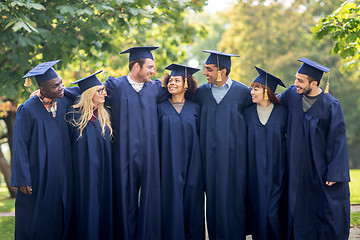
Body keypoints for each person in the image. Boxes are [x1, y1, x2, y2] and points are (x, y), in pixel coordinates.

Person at [280, 58, 350, 240]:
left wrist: (335, 172)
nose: (295, 83)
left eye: (300, 81)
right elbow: (273, 103)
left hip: (319, 167)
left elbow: (338, 139)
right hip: (295, 166)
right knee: (296, 206)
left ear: (314, 83)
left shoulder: (331, 104)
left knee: (321, 209)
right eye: (295, 78)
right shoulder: (291, 95)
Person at [104, 46, 167, 240]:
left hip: (150, 154)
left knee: (151, 200)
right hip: (123, 154)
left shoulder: (156, 88)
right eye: (149, 66)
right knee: (125, 199)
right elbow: (87, 90)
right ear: (136, 66)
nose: (153, 71)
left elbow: (181, 90)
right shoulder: (115, 86)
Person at [11, 60, 73, 239]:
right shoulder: (27, 109)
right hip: (39, 173)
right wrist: (23, 178)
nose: (61, 87)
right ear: (42, 89)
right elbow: (20, 144)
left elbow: (84, 90)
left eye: (61, 82)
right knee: (38, 216)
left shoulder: (64, 100)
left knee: (63, 211)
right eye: (56, 86)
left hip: (64, 172)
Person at [195, 50, 252, 239]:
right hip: (208, 160)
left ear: (222, 71)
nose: (205, 73)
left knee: (235, 201)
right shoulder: (201, 93)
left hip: (235, 161)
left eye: (209, 70)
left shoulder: (243, 93)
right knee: (213, 202)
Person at [158, 64, 204, 240]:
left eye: (176, 80)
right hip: (167, 164)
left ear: (186, 84)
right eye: (170, 80)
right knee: (171, 204)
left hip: (193, 164)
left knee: (193, 204)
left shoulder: (196, 108)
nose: (172, 83)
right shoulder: (160, 108)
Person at [65, 70, 113, 240]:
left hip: (103, 176)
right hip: (82, 177)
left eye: (104, 90)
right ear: (89, 93)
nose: (104, 94)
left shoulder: (104, 117)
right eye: (100, 90)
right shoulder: (73, 116)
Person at [244, 67, 287, 240]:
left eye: (256, 88)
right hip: (254, 174)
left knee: (272, 213)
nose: (251, 92)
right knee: (259, 213)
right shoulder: (247, 114)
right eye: (251, 88)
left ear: (267, 92)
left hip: (278, 174)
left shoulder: (283, 113)